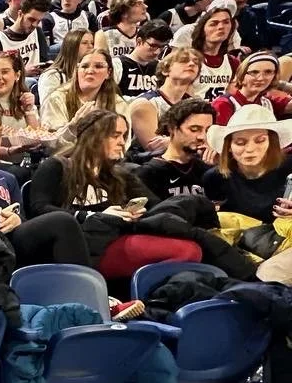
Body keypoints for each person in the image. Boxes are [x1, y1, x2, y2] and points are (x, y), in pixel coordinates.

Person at [26, 109, 200, 280]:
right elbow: (39, 208)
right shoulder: (57, 166)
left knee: (191, 241)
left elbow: (155, 205)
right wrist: (96, 216)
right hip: (82, 244)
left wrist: (136, 212)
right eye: (115, 136)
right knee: (188, 251)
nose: (122, 143)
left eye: (123, 136)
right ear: (94, 138)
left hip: (118, 236)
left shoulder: (119, 174)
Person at [0, 110, 90, 266]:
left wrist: (17, 219)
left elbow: (22, 218)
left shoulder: (8, 178)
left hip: (8, 241)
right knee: (62, 219)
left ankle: (83, 286)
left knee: (63, 223)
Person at [202, 106, 292, 226]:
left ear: (272, 142)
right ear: (228, 146)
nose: (250, 149)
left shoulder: (289, 167)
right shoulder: (214, 178)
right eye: (240, 143)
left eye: (260, 140)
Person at [135, 99, 215, 199]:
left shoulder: (208, 170)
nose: (202, 137)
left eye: (207, 130)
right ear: (172, 128)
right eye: (194, 129)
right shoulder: (149, 173)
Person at [127, 47, 201, 153]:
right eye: (184, 60)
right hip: (146, 164)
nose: (191, 64)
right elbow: (154, 148)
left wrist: (170, 141)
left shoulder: (196, 105)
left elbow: (207, 142)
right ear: (166, 70)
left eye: (196, 62)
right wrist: (191, 142)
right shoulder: (145, 104)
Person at [40, 48, 126, 136]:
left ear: (109, 72)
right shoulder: (56, 99)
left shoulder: (118, 103)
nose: (90, 71)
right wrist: (74, 126)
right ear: (77, 71)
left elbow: (122, 143)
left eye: (98, 66)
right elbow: (52, 144)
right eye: (84, 66)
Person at [211, 52, 289, 125]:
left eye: (268, 72)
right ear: (242, 74)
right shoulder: (223, 104)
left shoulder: (267, 102)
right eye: (254, 72)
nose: (261, 78)